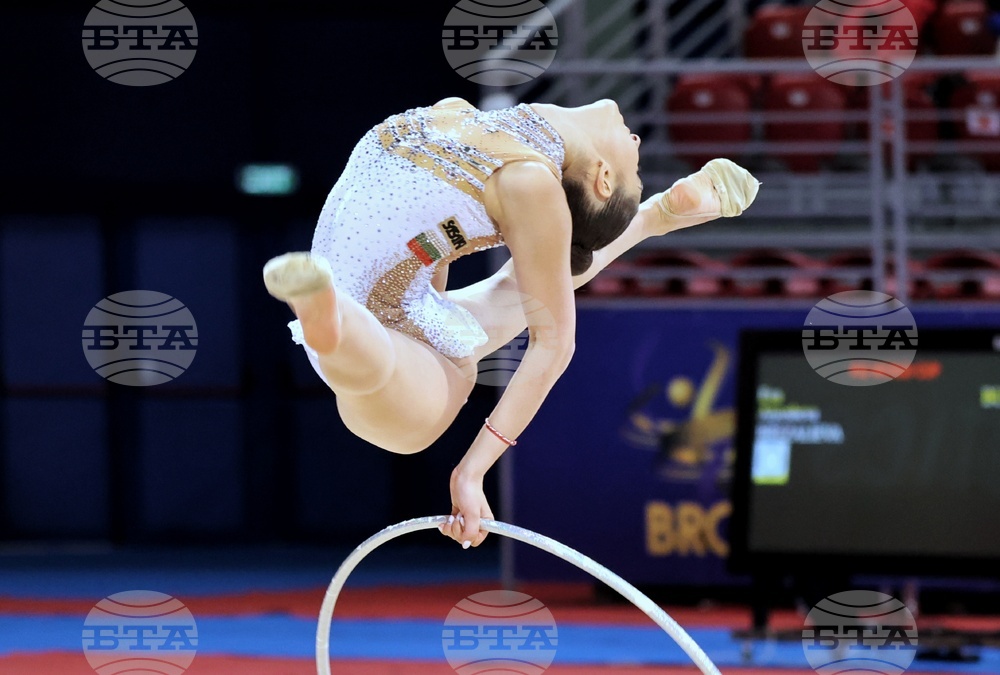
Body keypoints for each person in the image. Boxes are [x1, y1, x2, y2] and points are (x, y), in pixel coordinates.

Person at [263, 97, 759, 550]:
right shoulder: (510, 160)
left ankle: (329, 314)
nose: (639, 144)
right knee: (438, 367)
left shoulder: (474, 131)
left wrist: (473, 471)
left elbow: (553, 342)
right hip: (396, 315)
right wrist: (469, 474)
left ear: (603, 178)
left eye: (639, 174)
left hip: (394, 333)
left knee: (427, 351)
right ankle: (331, 314)